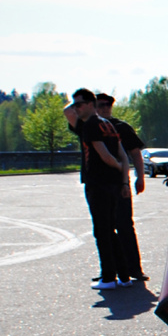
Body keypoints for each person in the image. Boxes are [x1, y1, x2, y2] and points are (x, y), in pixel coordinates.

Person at [65, 88, 131, 289]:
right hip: (112, 183)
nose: (75, 109)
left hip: (98, 184)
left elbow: (106, 156)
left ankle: (109, 278)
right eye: (75, 104)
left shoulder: (91, 125)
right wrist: (124, 180)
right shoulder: (108, 124)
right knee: (111, 230)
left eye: (79, 104)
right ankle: (124, 276)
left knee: (102, 231)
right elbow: (123, 155)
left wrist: (119, 169)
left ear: (90, 105)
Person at [95, 93, 148, 282]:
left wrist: (140, 177)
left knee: (125, 226)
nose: (104, 108)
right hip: (98, 186)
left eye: (107, 105)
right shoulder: (90, 128)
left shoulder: (121, 127)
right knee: (104, 229)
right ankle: (109, 271)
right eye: (100, 105)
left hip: (119, 184)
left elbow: (135, 153)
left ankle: (135, 269)